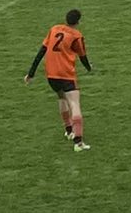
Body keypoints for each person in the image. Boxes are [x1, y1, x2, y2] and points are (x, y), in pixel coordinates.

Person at [25, 9, 93, 151]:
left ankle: (68, 130)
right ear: (78, 21)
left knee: (61, 98)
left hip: (51, 74)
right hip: (66, 74)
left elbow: (41, 51)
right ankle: (78, 142)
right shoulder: (76, 35)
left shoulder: (54, 29)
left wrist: (31, 73)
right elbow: (82, 55)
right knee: (74, 103)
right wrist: (88, 68)